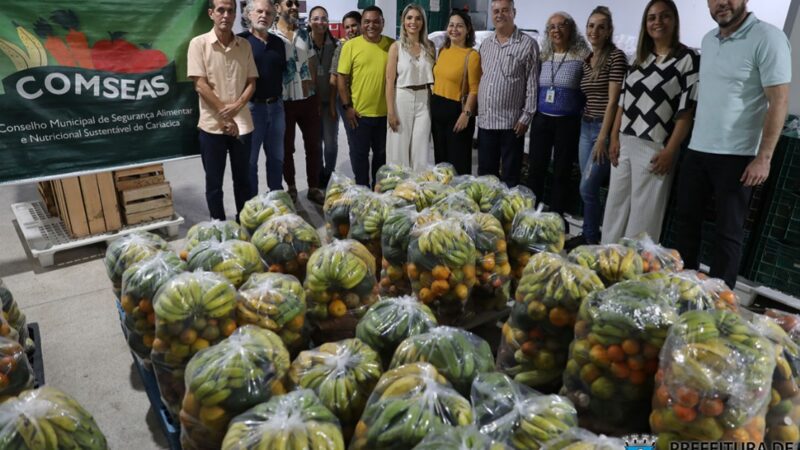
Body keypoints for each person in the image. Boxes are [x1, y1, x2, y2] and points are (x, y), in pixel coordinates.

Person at [675, 0, 790, 288]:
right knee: (686, 222)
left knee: (727, 232)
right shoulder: (708, 40)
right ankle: (684, 289)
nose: (721, 3)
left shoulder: (768, 37)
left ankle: (718, 300)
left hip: (737, 155)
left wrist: (764, 157)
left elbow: (779, 101)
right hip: (698, 148)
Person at [601, 0, 699, 244]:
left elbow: (686, 112)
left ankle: (633, 271)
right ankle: (605, 261)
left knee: (643, 217)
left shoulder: (687, 58)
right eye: (652, 17)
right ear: (646, 24)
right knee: (615, 208)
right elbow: (623, 102)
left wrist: (670, 150)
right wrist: (614, 138)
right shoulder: (638, 58)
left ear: (674, 20)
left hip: (655, 145)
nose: (658, 22)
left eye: (664, 16)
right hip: (624, 141)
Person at [187, 0, 257, 221]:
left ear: (236, 14)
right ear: (211, 13)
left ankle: (243, 223)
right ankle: (219, 226)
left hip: (243, 125)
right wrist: (225, 116)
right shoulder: (198, 44)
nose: (226, 15)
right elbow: (200, 85)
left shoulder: (244, 46)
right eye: (221, 10)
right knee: (214, 184)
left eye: (230, 10)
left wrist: (236, 108)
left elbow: (251, 83)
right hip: (211, 127)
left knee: (243, 181)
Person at [566, 6, 628, 249]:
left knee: (588, 186)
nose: (595, 31)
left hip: (603, 128)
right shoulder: (587, 59)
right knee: (586, 186)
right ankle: (589, 234)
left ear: (609, 30)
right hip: (586, 126)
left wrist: (604, 137)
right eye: (591, 26)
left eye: (601, 26)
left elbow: (614, 101)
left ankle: (592, 236)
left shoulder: (616, 57)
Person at [527, 12, 589, 229]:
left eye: (562, 25)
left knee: (562, 172)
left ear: (571, 29)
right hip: (542, 119)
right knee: (536, 167)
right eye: (552, 27)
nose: (556, 30)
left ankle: (556, 217)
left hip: (568, 122)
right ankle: (530, 214)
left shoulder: (582, 56)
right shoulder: (543, 56)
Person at [477, 0, 539, 187]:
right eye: (496, 11)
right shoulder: (486, 45)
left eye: (505, 10)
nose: (499, 15)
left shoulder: (528, 44)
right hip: (486, 122)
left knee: (510, 177)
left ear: (514, 12)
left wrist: (526, 117)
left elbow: (532, 84)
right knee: (486, 176)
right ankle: (486, 215)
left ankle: (506, 214)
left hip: (512, 125)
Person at [272, 0, 324, 204]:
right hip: (283, 101)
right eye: (289, 3)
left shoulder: (304, 34)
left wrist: (316, 93)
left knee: (313, 145)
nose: (294, 6)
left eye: (296, 3)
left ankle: (313, 187)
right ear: (278, 7)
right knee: (286, 147)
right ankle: (291, 187)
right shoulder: (270, 35)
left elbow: (311, 62)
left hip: (308, 99)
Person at [337, 6, 394, 187]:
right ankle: (362, 193)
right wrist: (347, 107)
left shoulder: (392, 45)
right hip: (359, 115)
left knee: (381, 156)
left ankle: (378, 194)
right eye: (367, 22)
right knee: (360, 157)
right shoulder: (350, 46)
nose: (371, 25)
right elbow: (341, 78)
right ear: (362, 24)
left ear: (383, 23)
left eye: (376, 21)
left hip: (384, 115)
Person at [240, 0, 286, 196]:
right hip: (251, 109)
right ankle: (253, 204)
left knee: (276, 157)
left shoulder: (278, 43)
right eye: (259, 11)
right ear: (249, 14)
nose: (263, 16)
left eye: (268, 13)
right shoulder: (240, 42)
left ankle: (276, 198)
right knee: (250, 161)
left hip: (276, 108)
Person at [385, 4, 435, 171]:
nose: (413, 21)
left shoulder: (430, 47)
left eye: (418, 18)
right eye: (409, 18)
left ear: (423, 22)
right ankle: (398, 191)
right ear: (403, 21)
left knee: (421, 150)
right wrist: (391, 112)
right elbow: (389, 81)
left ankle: (417, 191)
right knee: (398, 149)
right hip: (402, 98)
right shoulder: (395, 47)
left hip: (424, 99)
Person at [431, 9, 481, 175]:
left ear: (468, 30)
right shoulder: (443, 51)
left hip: (457, 111)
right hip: (437, 108)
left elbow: (475, 89)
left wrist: (466, 114)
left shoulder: (471, 55)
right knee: (441, 161)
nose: (454, 29)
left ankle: (459, 199)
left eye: (459, 26)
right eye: (451, 25)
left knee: (458, 162)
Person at [308, 6, 339, 189]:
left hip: (330, 103)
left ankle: (329, 173)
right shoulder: (302, 44)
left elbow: (336, 76)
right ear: (310, 21)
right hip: (310, 103)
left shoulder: (335, 46)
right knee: (314, 143)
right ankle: (317, 174)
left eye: (324, 18)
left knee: (330, 144)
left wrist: (333, 105)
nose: (320, 22)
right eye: (316, 18)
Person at [330, 11, 361, 153]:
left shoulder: (369, 45)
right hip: (346, 101)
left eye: (354, 25)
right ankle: (359, 174)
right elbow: (334, 79)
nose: (350, 30)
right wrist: (334, 106)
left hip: (366, 99)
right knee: (354, 139)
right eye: (347, 27)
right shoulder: (341, 48)